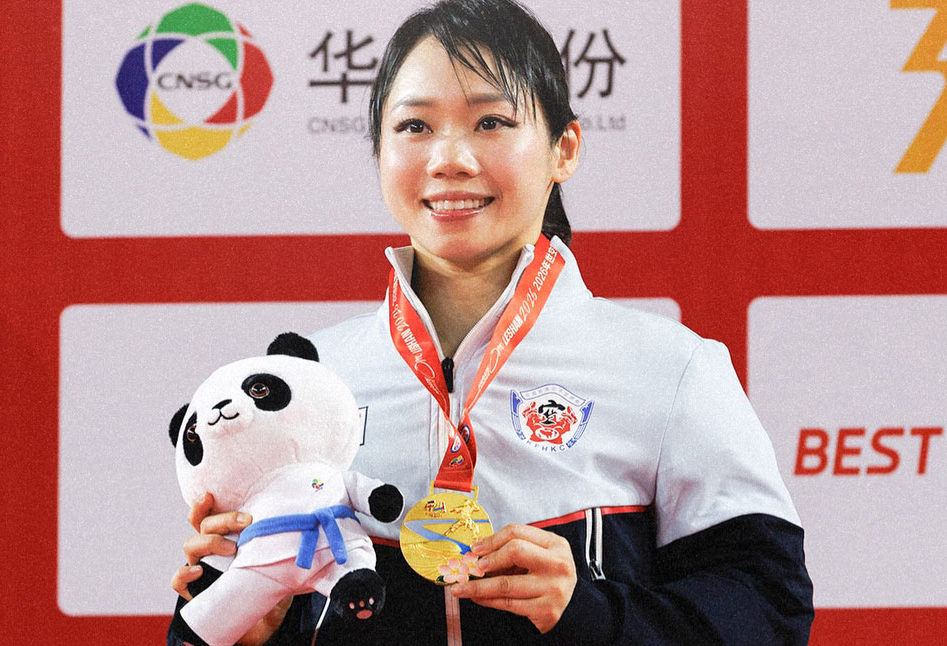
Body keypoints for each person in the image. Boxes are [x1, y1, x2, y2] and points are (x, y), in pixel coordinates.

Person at [168, 1, 814, 644]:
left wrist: (589, 613)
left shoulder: (669, 369)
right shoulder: (303, 383)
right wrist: (246, 627)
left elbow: (768, 611)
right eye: (414, 126)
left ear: (564, 148)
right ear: (380, 151)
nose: (449, 159)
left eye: (491, 122)